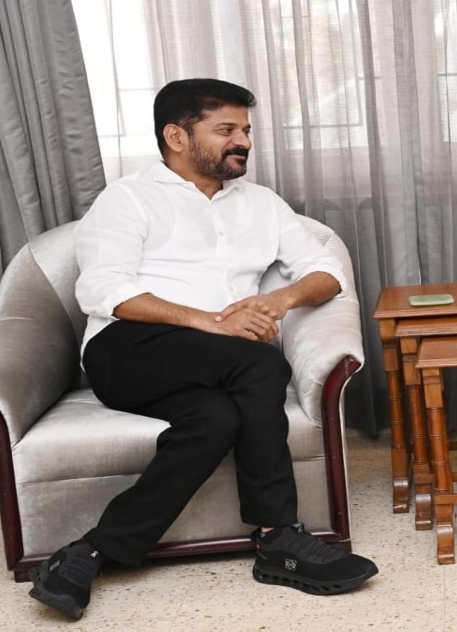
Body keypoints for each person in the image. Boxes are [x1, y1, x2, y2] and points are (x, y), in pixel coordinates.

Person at [28, 79, 378, 620]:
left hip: (216, 366)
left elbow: (326, 272)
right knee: (259, 361)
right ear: (176, 135)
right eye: (226, 130)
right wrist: (210, 321)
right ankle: (278, 536)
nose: (243, 141)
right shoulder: (127, 199)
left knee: (216, 420)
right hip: (129, 351)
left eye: (246, 130)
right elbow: (102, 289)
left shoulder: (261, 203)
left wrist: (276, 302)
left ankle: (90, 552)